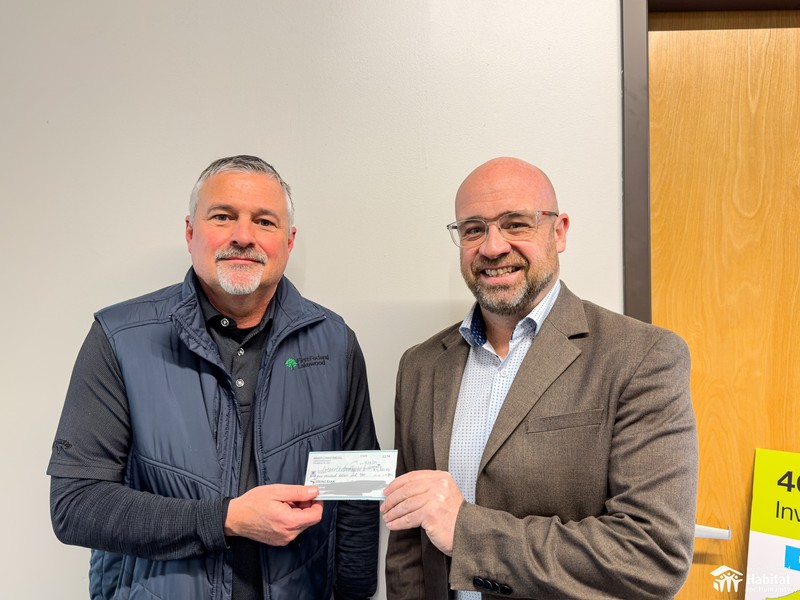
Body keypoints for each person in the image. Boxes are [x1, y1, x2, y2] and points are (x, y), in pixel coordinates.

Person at [48, 155, 380, 600]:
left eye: (264, 221)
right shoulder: (119, 338)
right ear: (190, 232)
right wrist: (227, 518)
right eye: (223, 217)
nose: (243, 236)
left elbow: (356, 500)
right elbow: (76, 506)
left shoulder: (334, 342)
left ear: (289, 241)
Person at [381, 157, 698, 599]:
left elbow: (651, 554)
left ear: (559, 230)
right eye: (473, 229)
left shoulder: (641, 356)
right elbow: (408, 541)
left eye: (515, 224)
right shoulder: (420, 367)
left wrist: (468, 532)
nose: (492, 247)